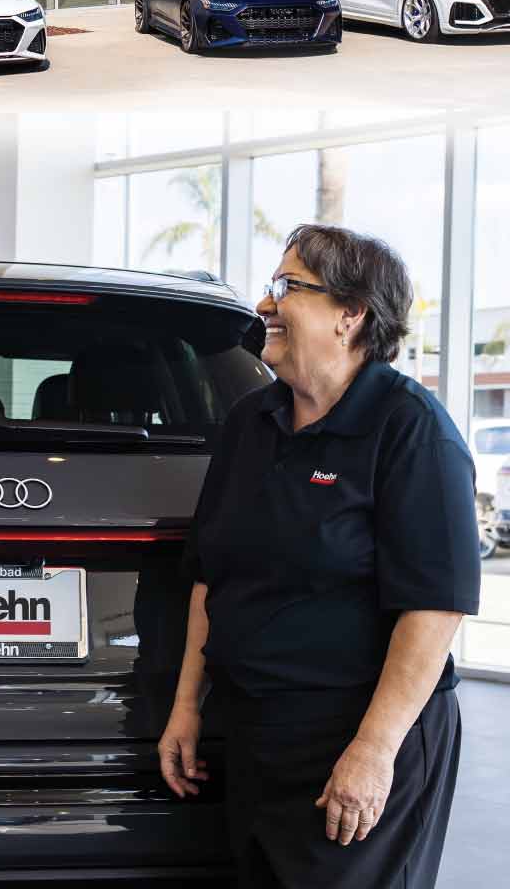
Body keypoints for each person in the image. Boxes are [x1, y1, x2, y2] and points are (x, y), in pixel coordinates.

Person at [157, 223, 480, 889]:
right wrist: (187, 706)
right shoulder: (251, 422)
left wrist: (373, 752)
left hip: (353, 737)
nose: (265, 304)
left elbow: (435, 607)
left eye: (287, 287)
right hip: (256, 739)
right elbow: (209, 579)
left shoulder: (410, 428)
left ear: (351, 314)